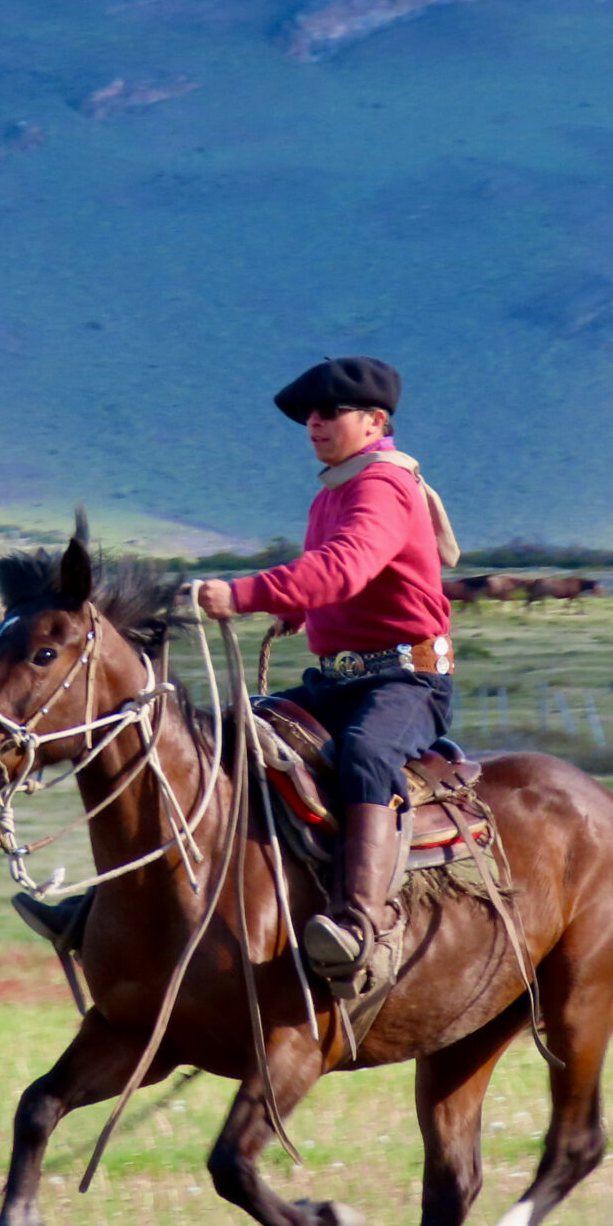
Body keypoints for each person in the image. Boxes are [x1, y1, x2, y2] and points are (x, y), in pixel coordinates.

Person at [196, 355, 460, 995]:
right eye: (307, 415)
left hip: (405, 681)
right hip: (339, 681)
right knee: (228, 735)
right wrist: (295, 605)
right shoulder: (338, 488)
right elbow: (339, 578)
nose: (313, 423)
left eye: (328, 412)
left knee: (367, 753)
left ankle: (359, 923)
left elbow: (347, 565)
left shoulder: (381, 486)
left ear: (374, 421)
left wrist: (244, 593)